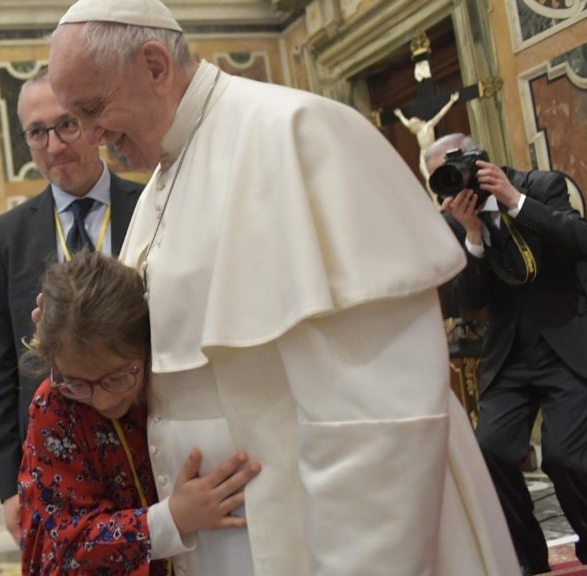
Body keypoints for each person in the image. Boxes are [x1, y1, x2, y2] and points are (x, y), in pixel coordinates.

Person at [46, 0, 520, 574]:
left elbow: (376, 415)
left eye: (93, 109)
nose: (91, 138)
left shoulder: (294, 133)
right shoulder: (155, 189)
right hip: (233, 540)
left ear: (153, 66)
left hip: (317, 530)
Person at [0, 66, 143, 542]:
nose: (53, 145)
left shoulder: (150, 204)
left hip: (147, 434)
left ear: (94, 125)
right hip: (56, 455)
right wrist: (9, 485)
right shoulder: (4, 237)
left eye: (66, 125)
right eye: (36, 132)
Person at [18, 251, 259, 575]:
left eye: (116, 378)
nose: (102, 400)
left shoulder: (162, 386)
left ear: (147, 344)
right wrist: (172, 519)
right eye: (76, 382)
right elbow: (70, 543)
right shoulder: (54, 407)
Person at [436, 133, 587, 575]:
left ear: (480, 158)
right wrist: (473, 237)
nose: (455, 183)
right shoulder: (457, 219)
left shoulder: (541, 185)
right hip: (510, 356)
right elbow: (468, 300)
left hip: (564, 343)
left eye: (457, 167)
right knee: (491, 450)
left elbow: (580, 241)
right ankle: (527, 561)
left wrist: (514, 199)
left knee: (567, 458)